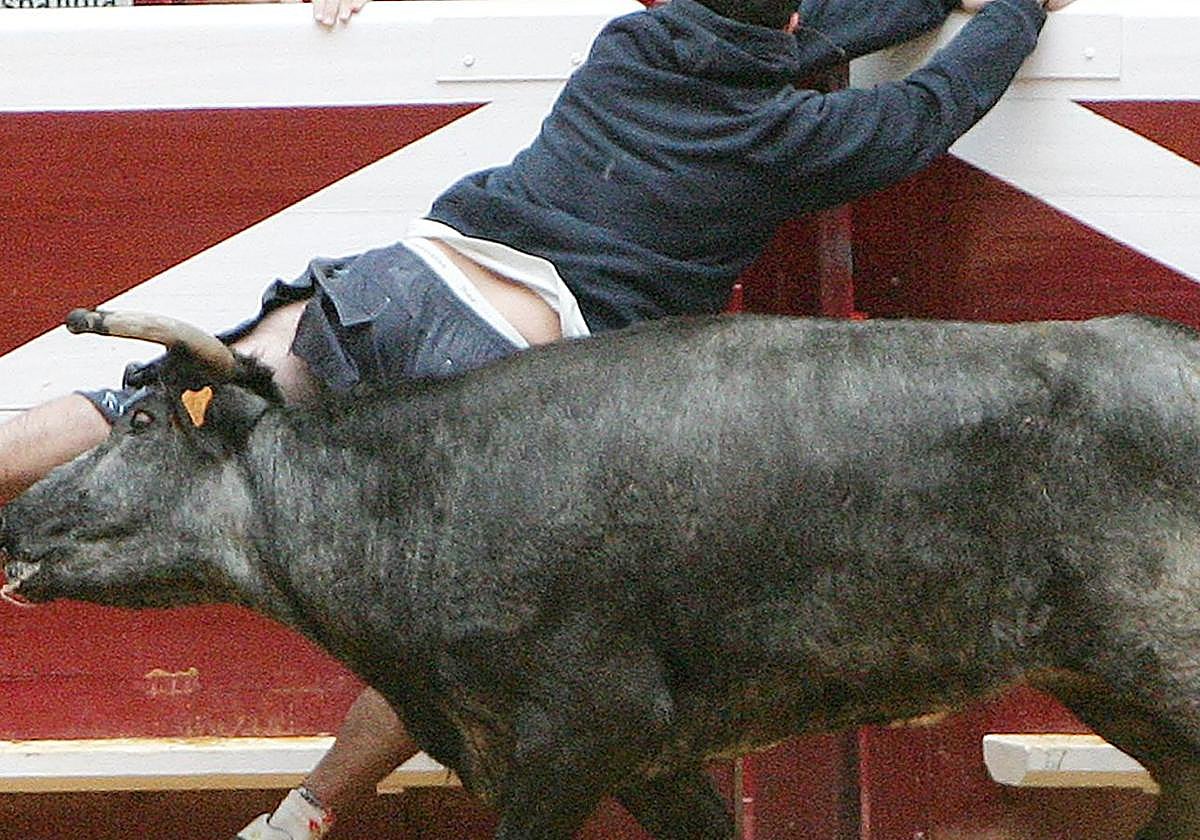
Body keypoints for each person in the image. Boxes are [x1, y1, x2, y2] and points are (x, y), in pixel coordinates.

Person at [0, 0, 1076, 837]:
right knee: (433, 624)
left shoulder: (635, 47)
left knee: (137, 412)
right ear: (786, 34)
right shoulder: (784, 139)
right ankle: (306, 814)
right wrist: (1013, 15)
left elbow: (782, 29)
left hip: (398, 286)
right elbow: (926, 111)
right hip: (507, 374)